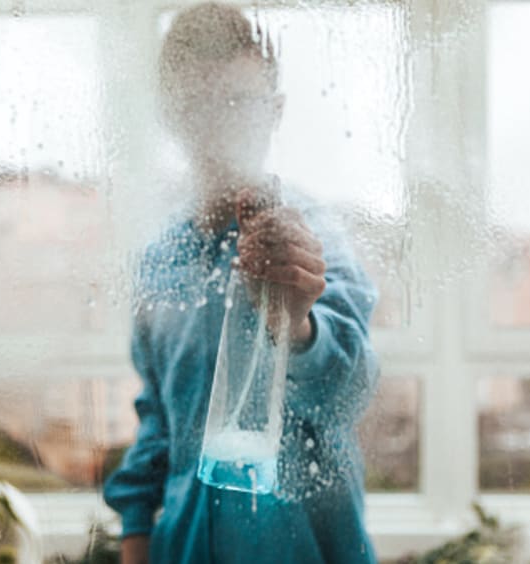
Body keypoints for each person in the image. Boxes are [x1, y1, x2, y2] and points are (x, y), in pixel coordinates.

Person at [103, 3, 380, 563]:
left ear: (274, 112)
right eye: (197, 104)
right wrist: (137, 541)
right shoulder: (161, 260)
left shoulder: (312, 239)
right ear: (170, 114)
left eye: (238, 102)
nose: (218, 122)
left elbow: (353, 388)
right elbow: (158, 422)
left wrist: (297, 324)